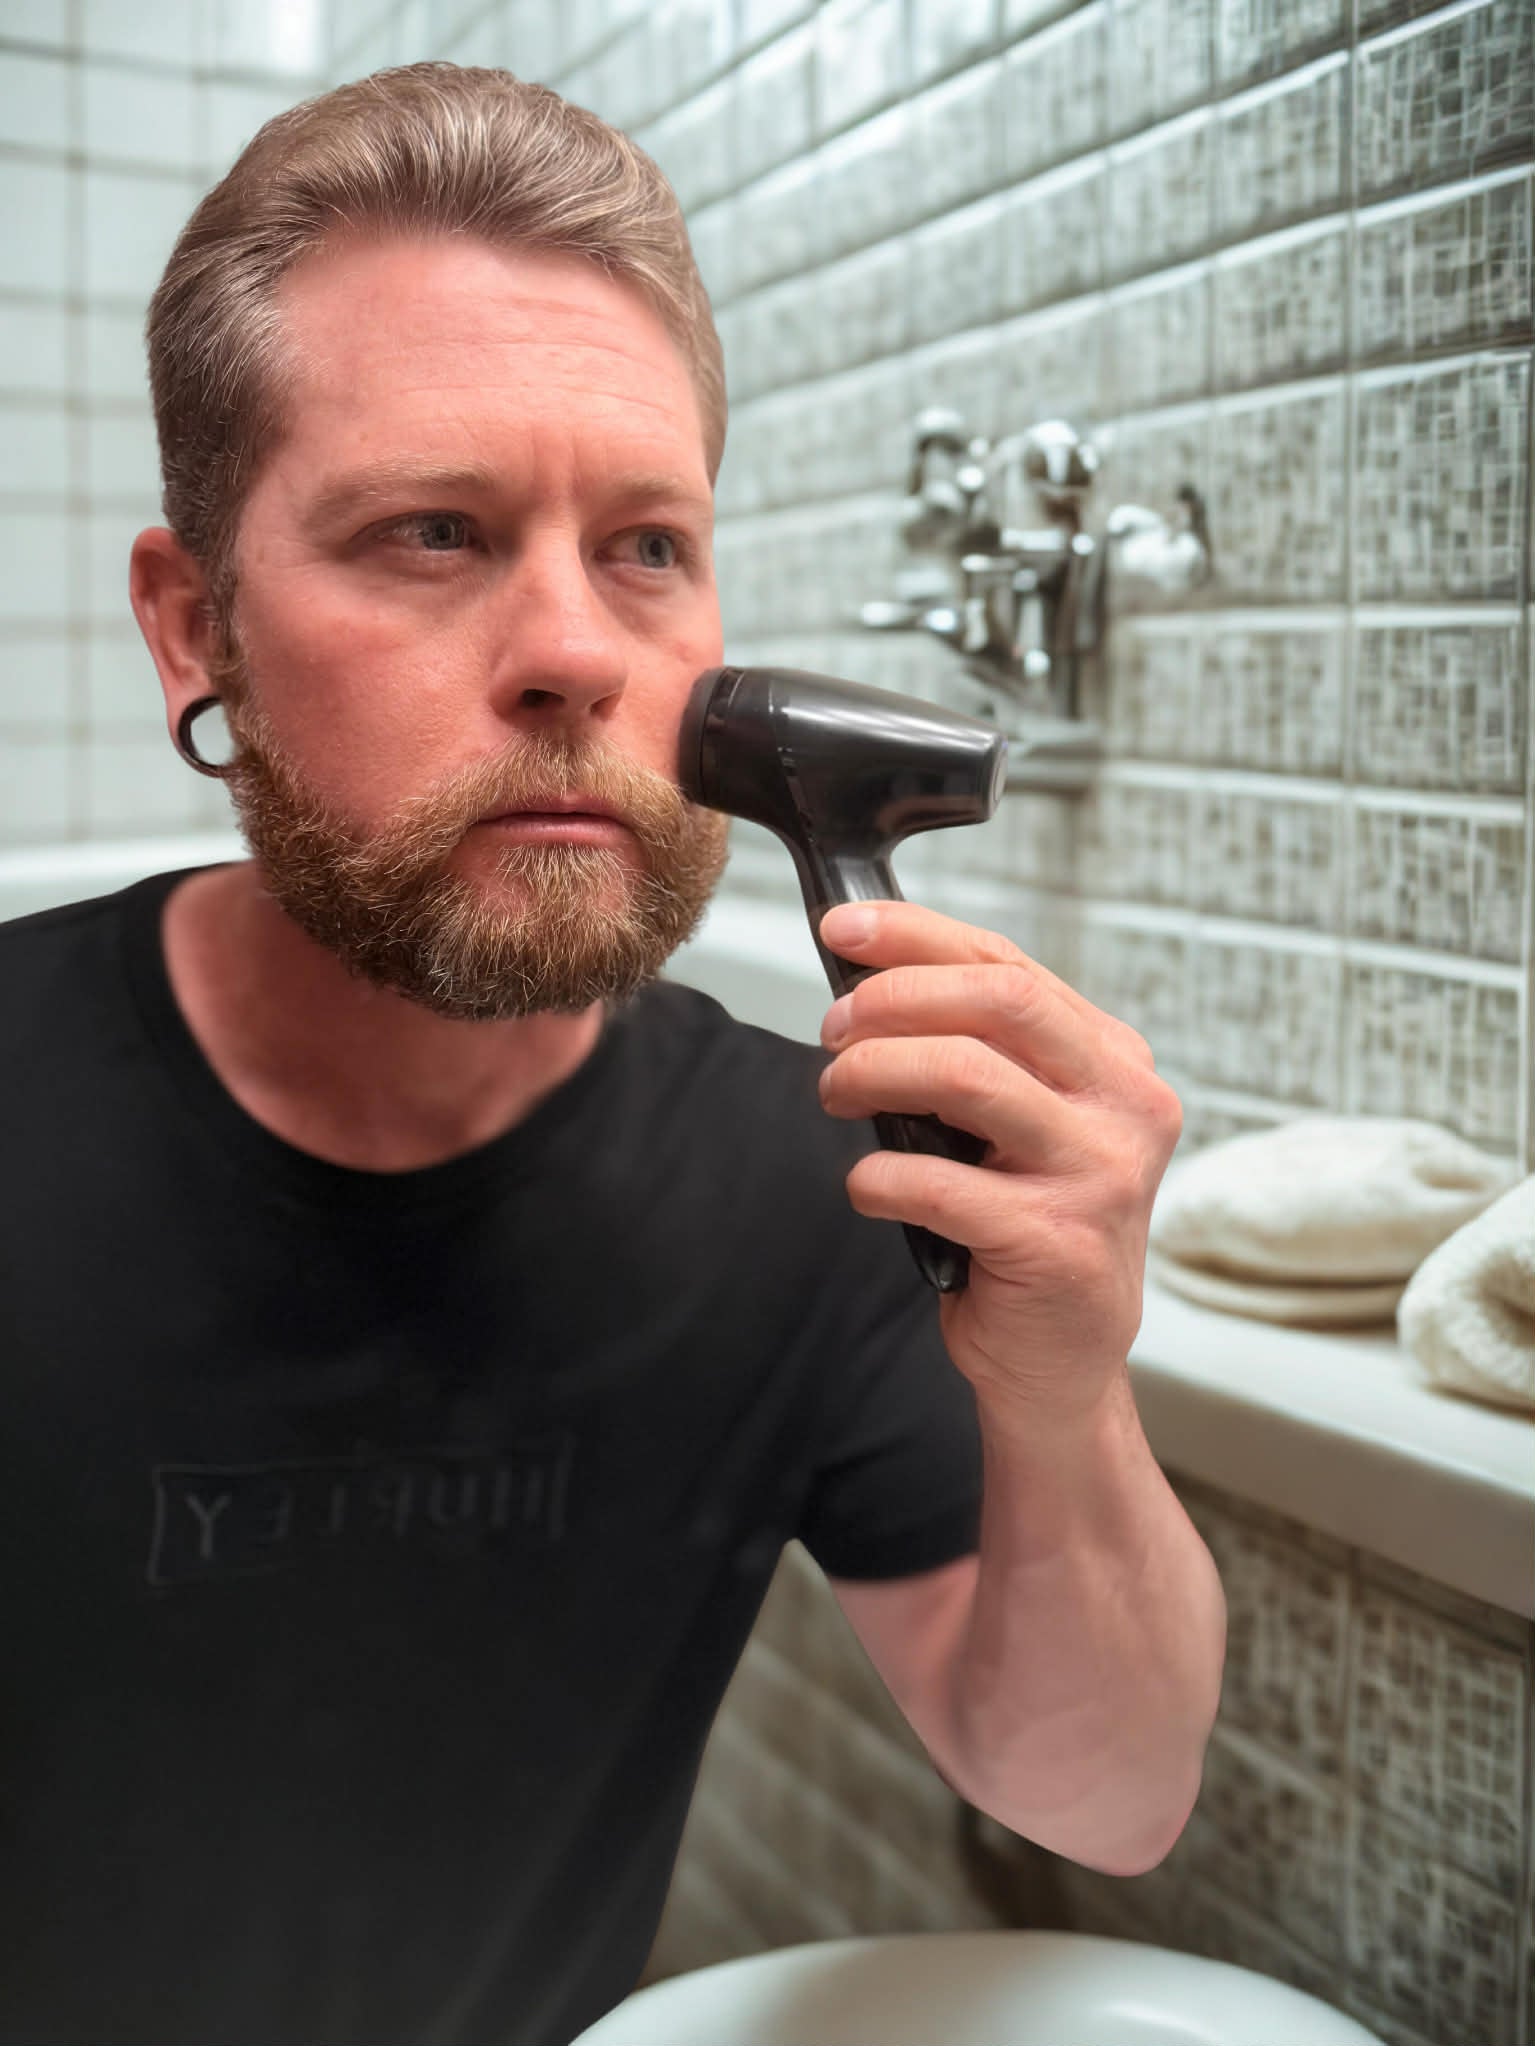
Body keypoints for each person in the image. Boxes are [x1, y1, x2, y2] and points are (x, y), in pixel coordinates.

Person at [0, 63, 1225, 2046]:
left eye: (647, 547)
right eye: (434, 530)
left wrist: (1070, 1389)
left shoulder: (814, 1178)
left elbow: (1104, 1794)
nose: (577, 649)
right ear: (193, 626)